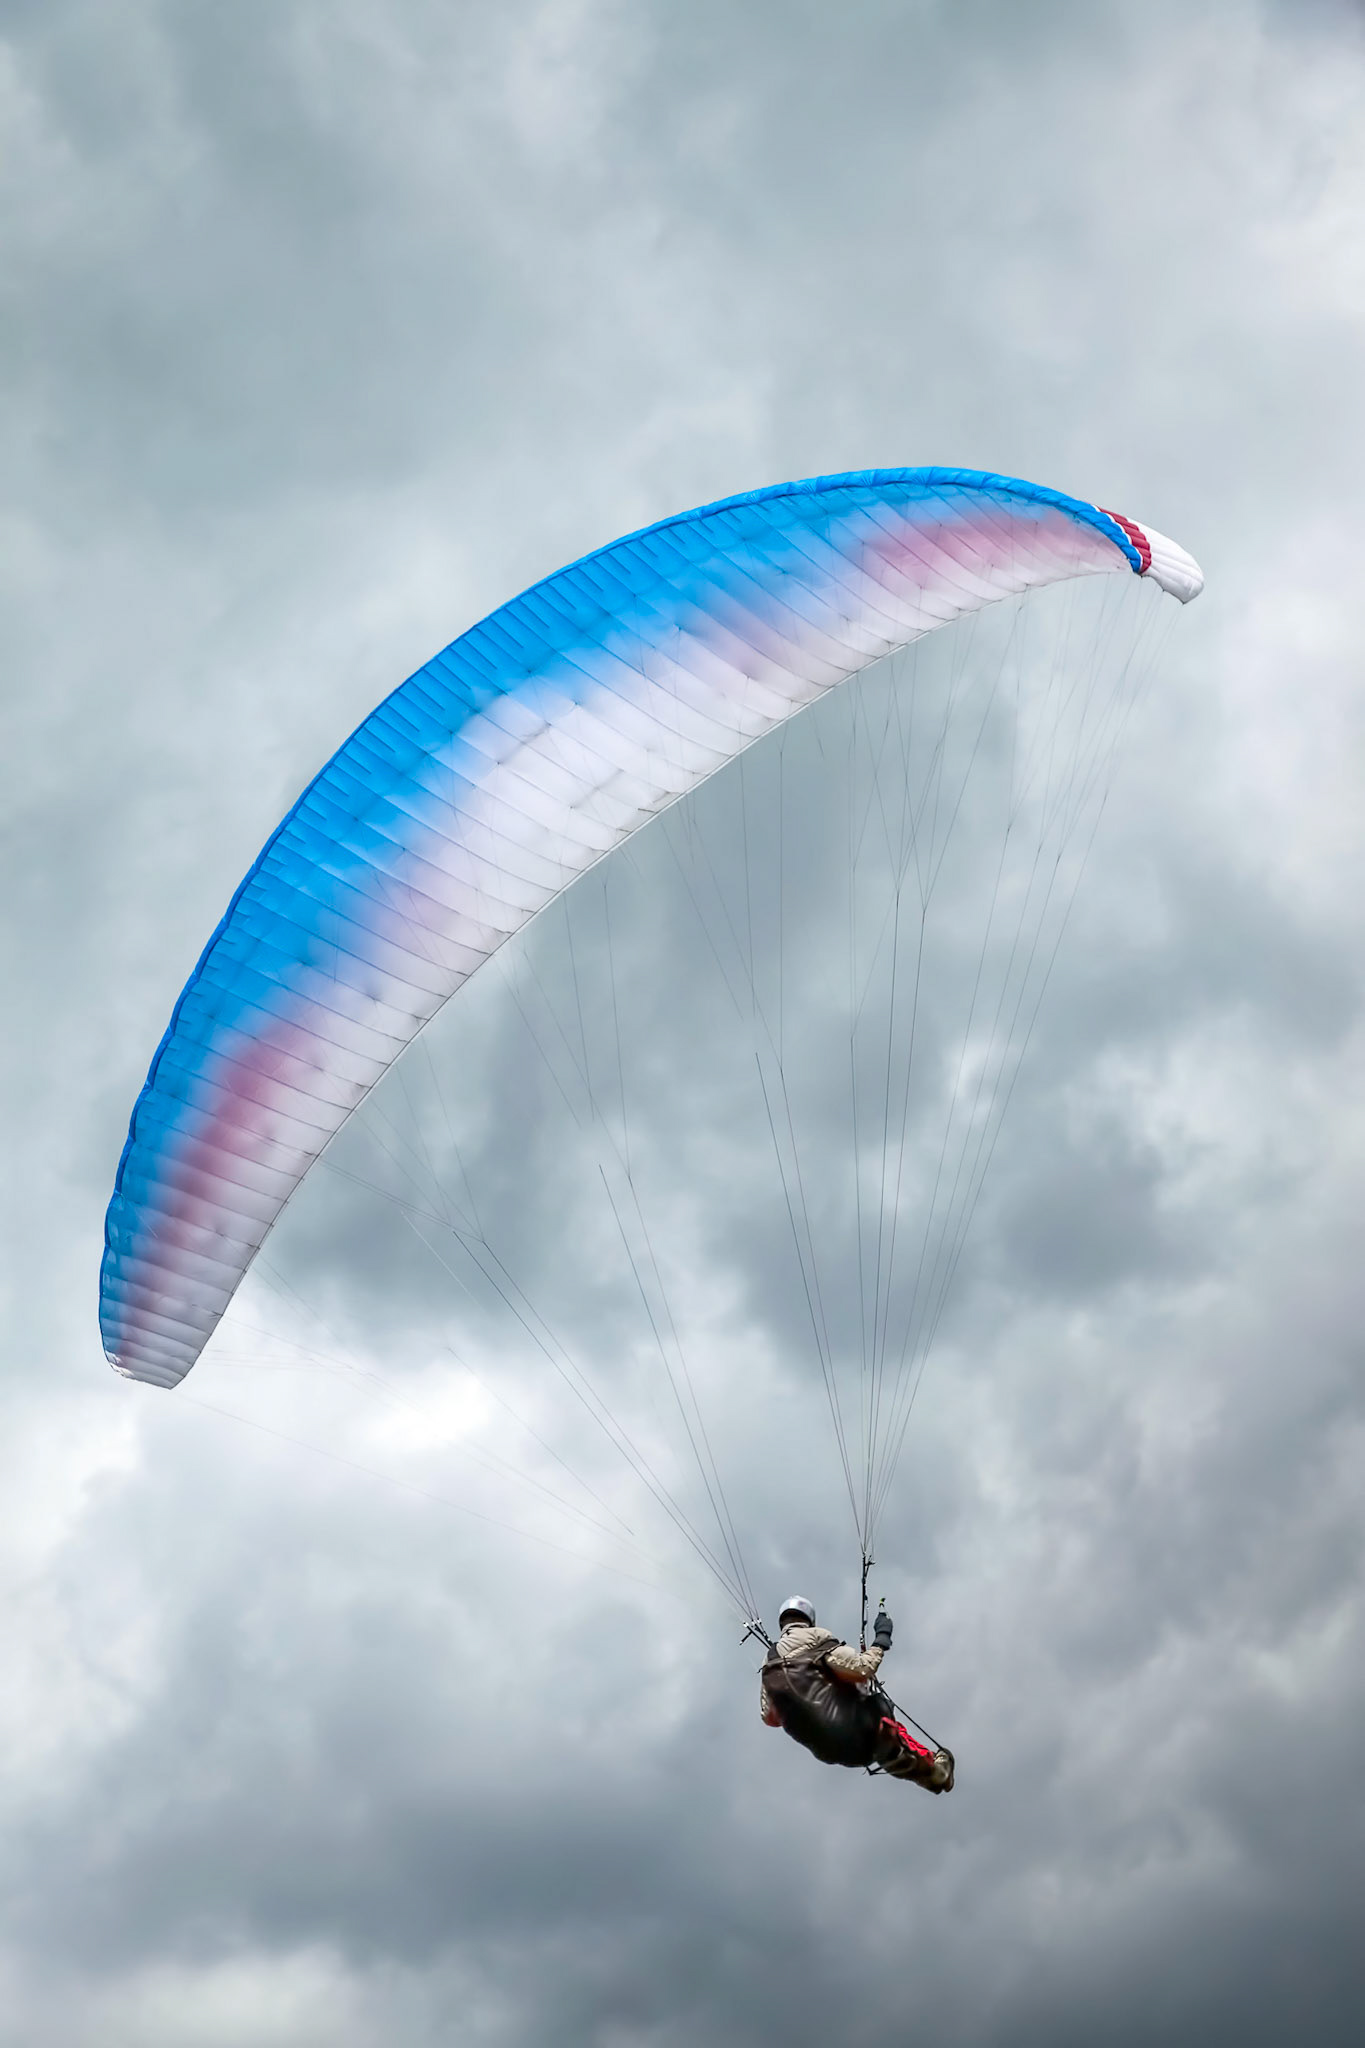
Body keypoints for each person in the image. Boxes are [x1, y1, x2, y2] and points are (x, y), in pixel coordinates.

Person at [759, 1595, 954, 1793]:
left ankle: (927, 1771)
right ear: (809, 1620)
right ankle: (933, 1771)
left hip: (827, 1751)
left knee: (876, 1738)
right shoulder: (817, 1637)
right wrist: (881, 1639)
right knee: (880, 1713)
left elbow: (770, 1717)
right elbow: (863, 1668)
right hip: (851, 1726)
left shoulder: (769, 1660)